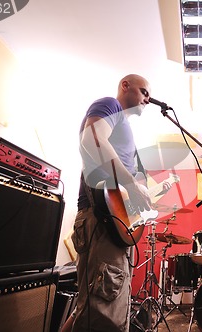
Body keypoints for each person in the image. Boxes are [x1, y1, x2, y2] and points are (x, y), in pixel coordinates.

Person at [68, 74, 170, 332]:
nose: (148, 99)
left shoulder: (127, 135)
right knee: (103, 314)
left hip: (118, 224)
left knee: (100, 305)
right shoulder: (109, 105)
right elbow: (92, 140)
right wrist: (130, 183)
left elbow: (137, 184)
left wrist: (143, 191)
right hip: (101, 219)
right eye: (144, 91)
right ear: (125, 86)